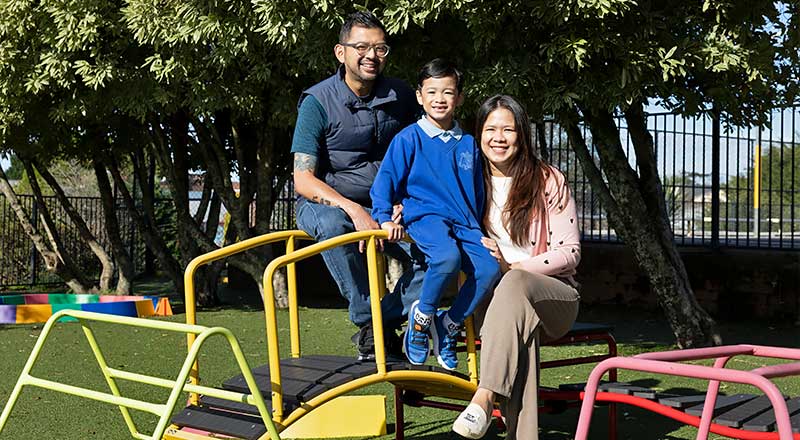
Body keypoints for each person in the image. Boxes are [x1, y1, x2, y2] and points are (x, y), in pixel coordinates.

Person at [291, 11, 425, 361]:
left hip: (388, 205)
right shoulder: (317, 102)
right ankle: (367, 323)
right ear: (341, 52)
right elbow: (303, 178)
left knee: (438, 250)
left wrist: (405, 202)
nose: (371, 56)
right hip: (329, 203)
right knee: (336, 226)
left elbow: (421, 156)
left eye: (380, 48)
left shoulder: (401, 96)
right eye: (362, 47)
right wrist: (354, 211)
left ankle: (383, 321)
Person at [451, 95, 581, 439]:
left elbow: (570, 253)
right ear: (478, 134)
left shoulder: (548, 179)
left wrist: (512, 267)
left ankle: (484, 396)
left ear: (521, 135)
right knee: (522, 331)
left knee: (515, 286)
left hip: (553, 296)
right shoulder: (468, 182)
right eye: (490, 129)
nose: (499, 137)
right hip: (494, 304)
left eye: (508, 129)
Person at [370, 59, 500, 371]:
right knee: (446, 258)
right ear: (419, 96)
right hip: (426, 218)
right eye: (432, 92)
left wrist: (482, 228)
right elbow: (385, 181)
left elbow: (478, 193)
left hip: (466, 223)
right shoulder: (408, 138)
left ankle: (447, 325)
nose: (440, 98)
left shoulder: (469, 143)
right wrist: (385, 217)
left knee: (489, 269)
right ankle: (421, 319)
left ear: (460, 98)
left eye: (448, 92)